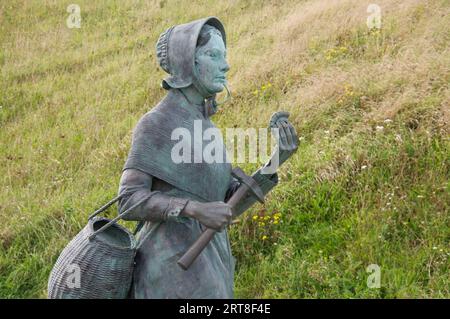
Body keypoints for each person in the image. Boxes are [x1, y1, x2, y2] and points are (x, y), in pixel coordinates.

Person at [117, 17, 298, 299]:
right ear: (189, 63)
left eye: (224, 55)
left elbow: (227, 208)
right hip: (170, 274)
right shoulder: (156, 123)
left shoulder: (207, 129)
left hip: (212, 267)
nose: (225, 65)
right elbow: (128, 201)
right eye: (213, 55)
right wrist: (192, 209)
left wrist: (277, 158)